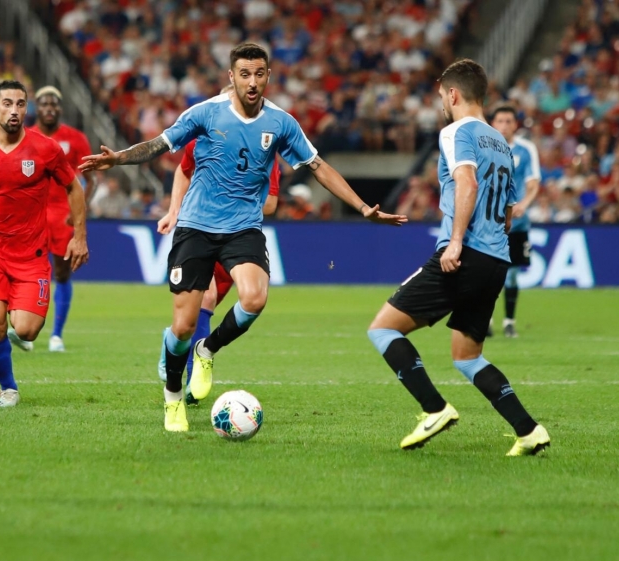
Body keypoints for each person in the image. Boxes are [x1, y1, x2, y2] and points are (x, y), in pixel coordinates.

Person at [81, 43, 405, 432]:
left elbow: (318, 166)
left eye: (259, 74)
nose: (252, 82)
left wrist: (363, 206)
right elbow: (160, 146)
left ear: (268, 76)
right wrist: (118, 157)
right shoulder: (205, 113)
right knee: (181, 327)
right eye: (245, 74)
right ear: (231, 77)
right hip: (196, 227)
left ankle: (209, 348)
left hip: (243, 228)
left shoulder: (281, 123)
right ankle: (172, 401)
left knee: (254, 298)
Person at [366, 59, 550, 456]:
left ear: (452, 94)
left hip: (465, 254)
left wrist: (455, 241)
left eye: (440, 97)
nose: (441, 105)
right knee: (467, 358)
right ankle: (529, 430)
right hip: (496, 259)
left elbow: (466, 182)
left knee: (382, 330)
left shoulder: (456, 132)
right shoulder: (501, 143)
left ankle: (434, 408)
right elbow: (508, 209)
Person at [0, 80, 89, 408]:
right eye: (7, 103)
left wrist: (79, 236)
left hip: (31, 254)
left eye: (20, 104)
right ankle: (8, 388)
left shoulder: (46, 149)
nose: (14, 110)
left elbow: (74, 189)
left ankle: (37, 333)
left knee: (27, 330)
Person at [156, 115, 281, 405]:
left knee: (240, 302)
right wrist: (174, 210)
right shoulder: (203, 136)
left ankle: (184, 345)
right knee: (206, 298)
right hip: (199, 229)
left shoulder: (265, 147)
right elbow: (183, 171)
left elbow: (272, 203)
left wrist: (233, 199)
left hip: (238, 235)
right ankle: (187, 387)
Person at [31, 86, 95, 352]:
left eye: (54, 104)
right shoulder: (26, 136)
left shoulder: (75, 138)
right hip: (31, 214)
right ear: (37, 108)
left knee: (61, 272)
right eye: (44, 104)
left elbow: (91, 180)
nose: (49, 108)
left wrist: (79, 211)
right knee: (28, 271)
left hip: (62, 216)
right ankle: (24, 330)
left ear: (59, 108)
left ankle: (56, 335)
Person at [490, 106, 540, 338]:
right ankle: (486, 320)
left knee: (510, 274)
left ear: (515, 125)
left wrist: (524, 205)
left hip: (517, 223)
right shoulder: (484, 148)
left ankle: (509, 321)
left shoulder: (526, 149)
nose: (505, 125)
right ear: (493, 124)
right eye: (500, 120)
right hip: (488, 223)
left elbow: (532, 183)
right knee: (487, 272)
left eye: (509, 121)